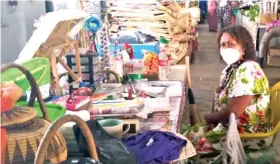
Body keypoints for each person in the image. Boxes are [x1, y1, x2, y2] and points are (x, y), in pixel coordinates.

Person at [185, 25, 272, 155]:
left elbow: (232, 113)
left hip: (247, 134)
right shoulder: (230, 69)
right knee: (185, 137)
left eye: (231, 44)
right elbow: (220, 105)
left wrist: (209, 119)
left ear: (244, 46)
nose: (226, 48)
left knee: (188, 150)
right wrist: (211, 122)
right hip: (229, 126)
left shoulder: (249, 70)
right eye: (223, 45)